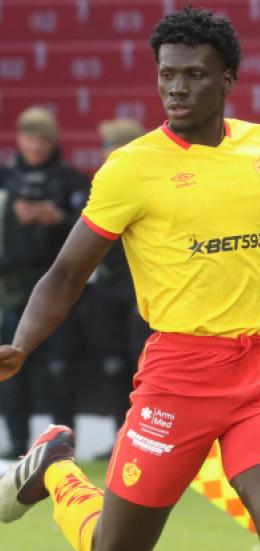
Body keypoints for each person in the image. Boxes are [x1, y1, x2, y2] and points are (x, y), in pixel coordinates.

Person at [0, 8, 260, 551]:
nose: (177, 88)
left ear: (229, 79)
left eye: (195, 75)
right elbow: (66, 273)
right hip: (179, 374)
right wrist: (23, 344)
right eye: (167, 75)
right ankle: (53, 465)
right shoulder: (131, 170)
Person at [0, 108, 89, 458]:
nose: (35, 144)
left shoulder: (71, 181)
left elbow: (92, 230)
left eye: (42, 138)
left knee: (60, 369)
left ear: (52, 142)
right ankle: (15, 448)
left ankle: (62, 446)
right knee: (10, 370)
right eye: (29, 137)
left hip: (59, 289)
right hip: (11, 288)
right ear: (19, 139)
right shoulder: (5, 180)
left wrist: (58, 217)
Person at [92, 118, 152, 459]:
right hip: (107, 292)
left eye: (112, 146)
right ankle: (122, 439)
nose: (105, 153)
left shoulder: (151, 189)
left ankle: (147, 442)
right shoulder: (101, 187)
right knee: (114, 368)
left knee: (143, 370)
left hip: (142, 294)